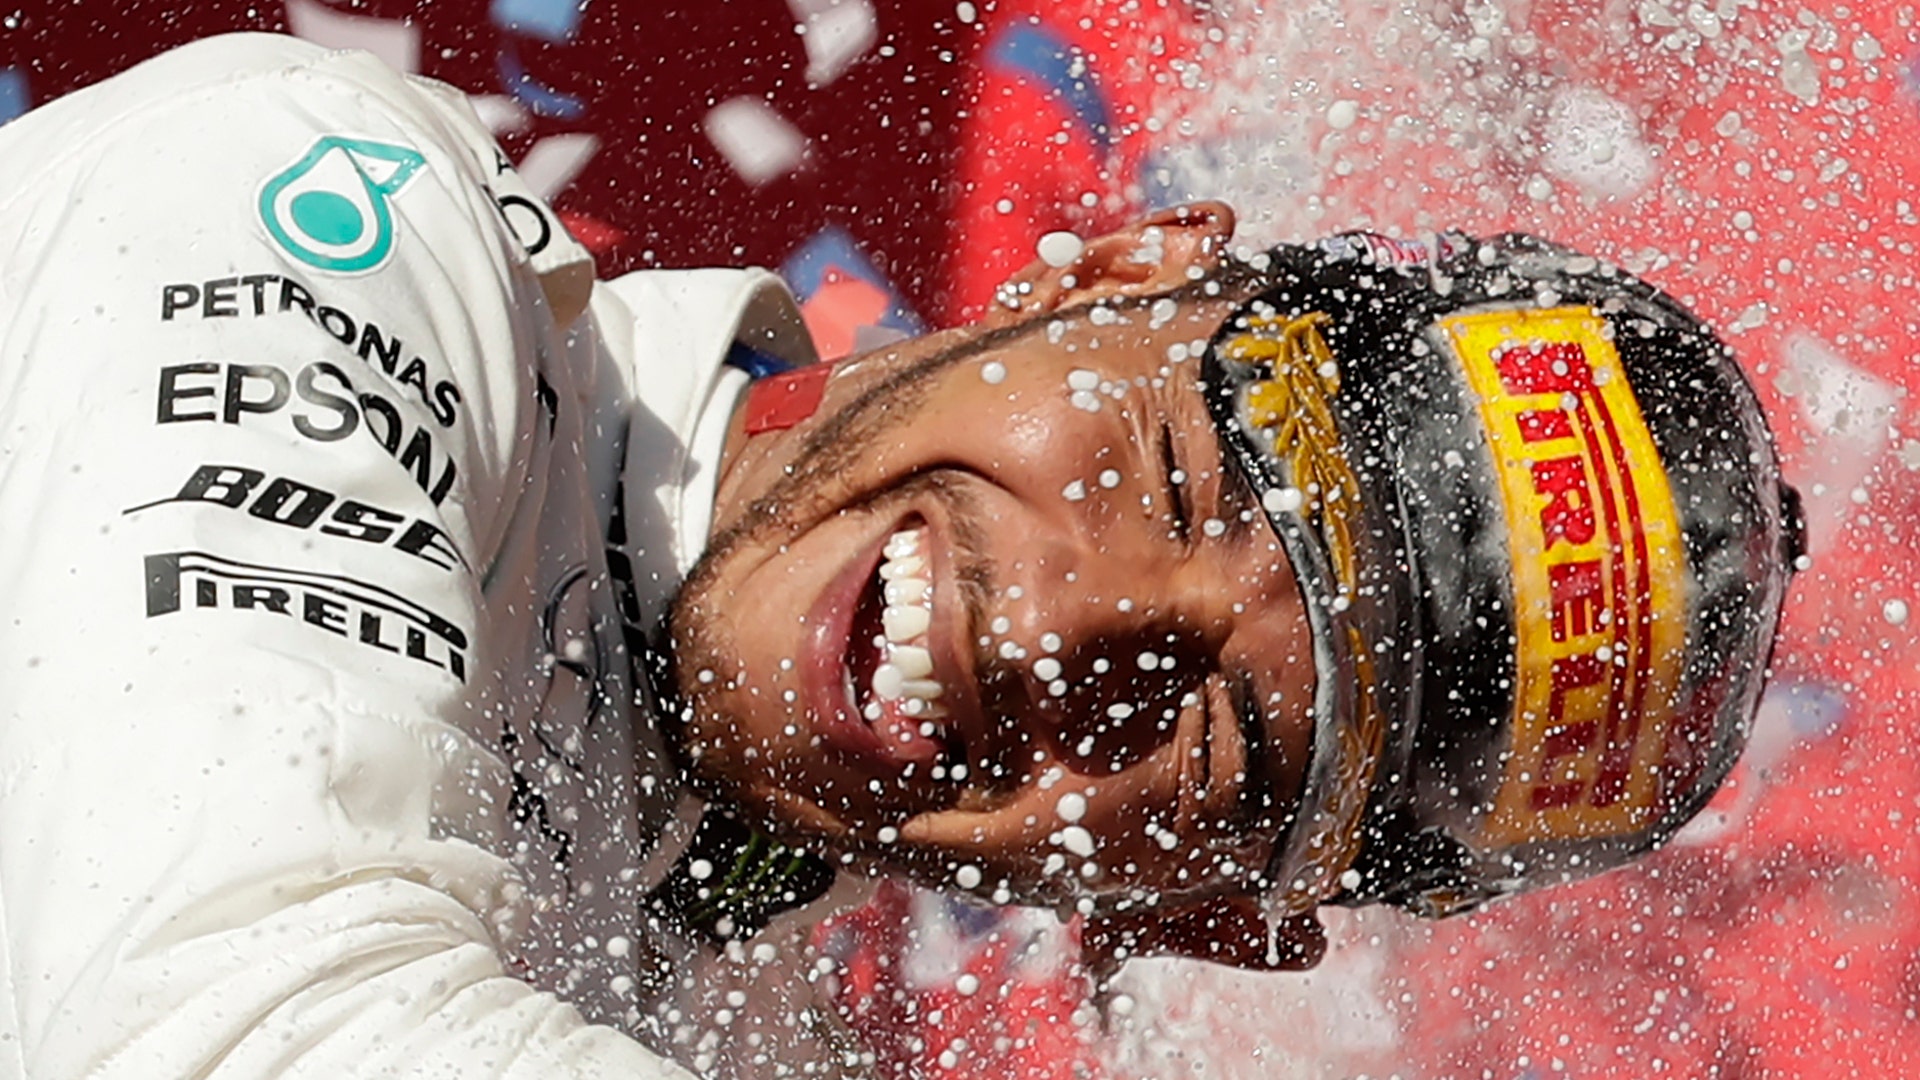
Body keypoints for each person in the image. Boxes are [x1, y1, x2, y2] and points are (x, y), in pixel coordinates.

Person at [0, 31, 1799, 1080]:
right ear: (1111, 268)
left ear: (1205, 921)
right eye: (1173, 475)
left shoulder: (766, 1021)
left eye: (1220, 737)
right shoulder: (320, 212)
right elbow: (223, 1018)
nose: (1062, 627)